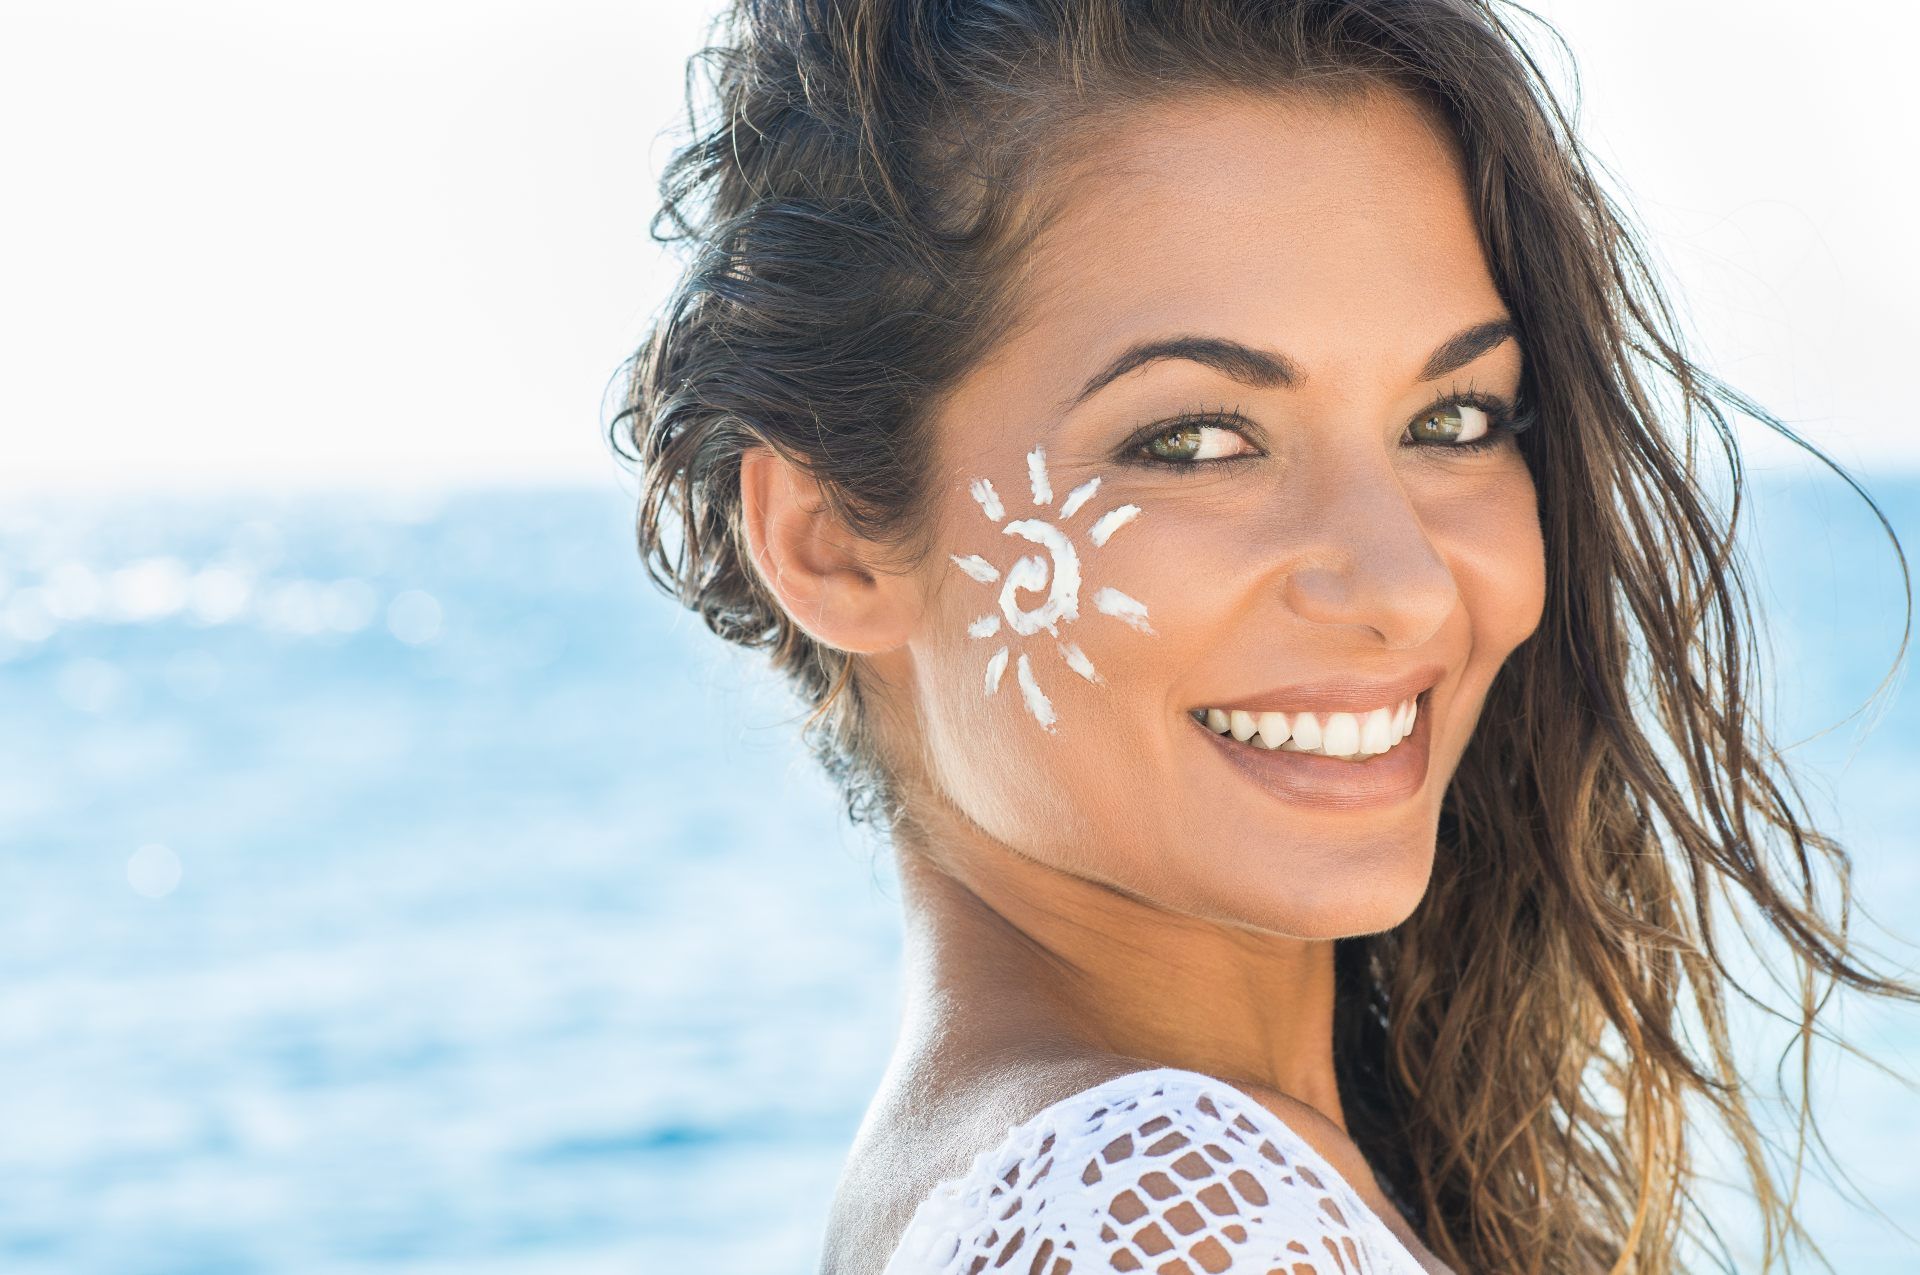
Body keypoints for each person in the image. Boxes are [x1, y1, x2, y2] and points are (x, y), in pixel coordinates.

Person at [614, 1, 1918, 1269]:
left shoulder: (1111, 1178)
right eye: (1194, 442)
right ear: (829, 537)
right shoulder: (1166, 1221)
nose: (1404, 586)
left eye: (1455, 419)